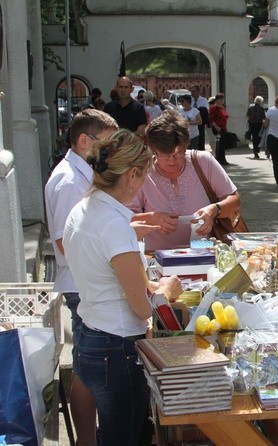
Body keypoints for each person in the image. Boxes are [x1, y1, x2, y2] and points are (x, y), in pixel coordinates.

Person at [63, 129, 183, 445]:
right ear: (131, 175)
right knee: (126, 437)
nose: (143, 184)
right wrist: (168, 289)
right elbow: (144, 308)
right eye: (143, 177)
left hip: (91, 335)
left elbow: (121, 279)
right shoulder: (115, 225)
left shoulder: (83, 210)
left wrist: (152, 283)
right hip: (117, 347)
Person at [44, 109, 119, 446]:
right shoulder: (67, 180)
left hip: (87, 283)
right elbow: (64, 243)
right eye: (106, 144)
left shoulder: (80, 173)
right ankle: (87, 440)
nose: (111, 151)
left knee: (91, 367)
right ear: (85, 141)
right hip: (81, 286)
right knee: (88, 370)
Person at [128, 111, 240, 251]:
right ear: (153, 150)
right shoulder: (143, 172)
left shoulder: (202, 161)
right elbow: (126, 217)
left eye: (178, 153)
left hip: (202, 248)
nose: (171, 161)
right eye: (164, 154)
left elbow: (235, 200)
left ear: (186, 145)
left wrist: (213, 210)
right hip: (159, 254)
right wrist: (151, 218)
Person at [209, 93, 230, 165]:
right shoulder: (213, 108)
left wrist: (226, 127)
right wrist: (216, 126)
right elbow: (211, 119)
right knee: (219, 143)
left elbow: (225, 117)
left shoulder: (222, 107)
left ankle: (223, 158)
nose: (222, 101)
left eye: (223, 99)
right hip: (217, 127)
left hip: (223, 127)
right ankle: (219, 159)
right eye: (220, 99)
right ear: (217, 100)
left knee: (223, 144)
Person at [190, 85, 210, 150]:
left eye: (194, 91)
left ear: (198, 91)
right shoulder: (189, 100)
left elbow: (206, 110)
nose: (192, 93)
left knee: (201, 139)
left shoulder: (203, 100)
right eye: (191, 91)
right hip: (191, 122)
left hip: (200, 122)